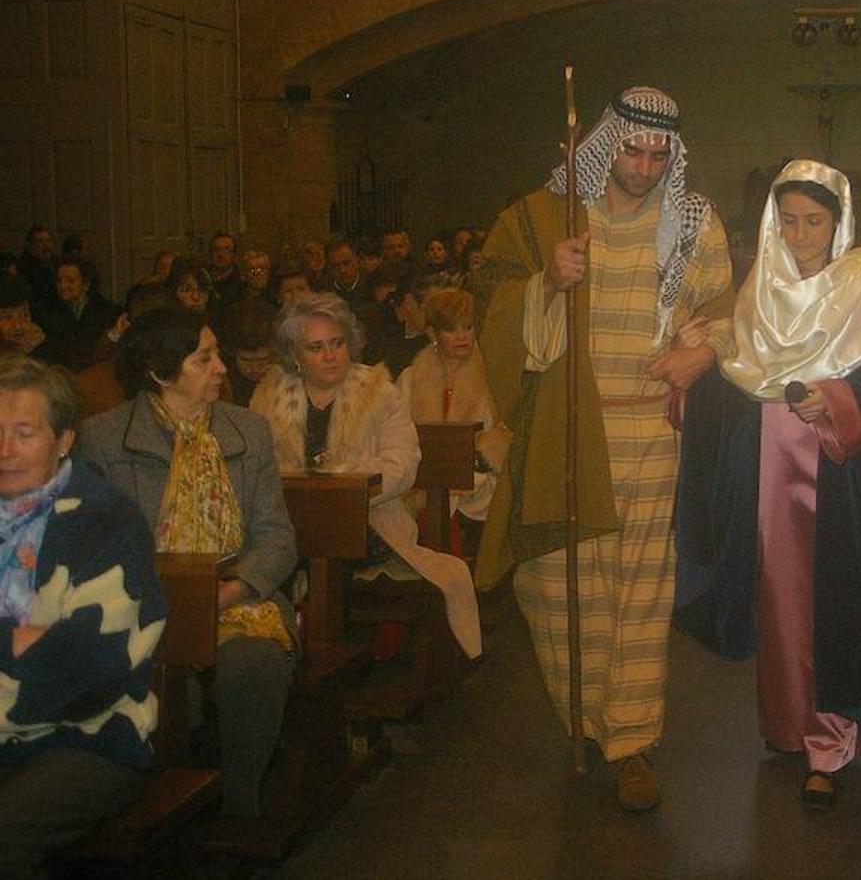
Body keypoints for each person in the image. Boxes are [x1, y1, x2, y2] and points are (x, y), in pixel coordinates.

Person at [473, 86, 733, 811]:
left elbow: (726, 310)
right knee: (552, 586)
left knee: (638, 596)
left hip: (651, 435)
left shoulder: (694, 225)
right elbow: (489, 301)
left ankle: (631, 742)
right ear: (603, 143)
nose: (645, 166)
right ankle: (583, 720)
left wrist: (702, 357)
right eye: (632, 149)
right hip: (563, 435)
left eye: (659, 154)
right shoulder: (544, 219)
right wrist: (547, 284)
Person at [673, 160, 861, 809]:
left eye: (814, 221)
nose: (801, 234)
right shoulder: (760, 287)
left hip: (838, 471)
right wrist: (699, 371)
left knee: (835, 601)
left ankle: (830, 743)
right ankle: (788, 725)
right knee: (781, 605)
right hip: (769, 471)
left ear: (838, 223)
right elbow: (738, 377)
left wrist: (838, 399)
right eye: (788, 221)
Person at [79, 308, 298, 818]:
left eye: (216, 353)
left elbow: (277, 537)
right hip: (140, 604)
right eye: (204, 358)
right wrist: (168, 599)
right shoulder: (105, 439)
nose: (222, 367)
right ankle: (158, 806)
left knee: (254, 663)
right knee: (163, 683)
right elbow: (95, 544)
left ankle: (241, 801)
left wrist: (230, 591)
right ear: (160, 371)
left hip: (234, 598)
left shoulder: (248, 430)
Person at [0, 355, 167, 876]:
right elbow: (40, 649)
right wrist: (21, 640)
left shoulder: (106, 521)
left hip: (88, 737)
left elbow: (92, 665)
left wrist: (34, 648)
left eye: (24, 433)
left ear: (65, 439)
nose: (4, 451)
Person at [249, 293, 480, 659]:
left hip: (369, 524)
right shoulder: (270, 396)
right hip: (291, 525)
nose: (330, 355)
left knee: (330, 542)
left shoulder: (379, 392)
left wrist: (349, 483)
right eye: (316, 347)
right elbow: (256, 468)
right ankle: (276, 651)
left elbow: (404, 461)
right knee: (274, 554)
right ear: (295, 354)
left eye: (337, 343)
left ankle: (323, 657)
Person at [396, 288, 504, 557]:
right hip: (421, 486)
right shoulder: (410, 379)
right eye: (451, 329)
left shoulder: (491, 377)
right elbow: (396, 440)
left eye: (467, 327)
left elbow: (498, 440)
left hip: (479, 488)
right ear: (433, 334)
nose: (461, 336)